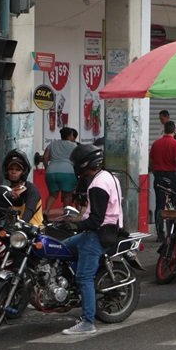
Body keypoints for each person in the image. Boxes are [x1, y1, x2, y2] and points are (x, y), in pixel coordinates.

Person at [61, 143, 122, 335]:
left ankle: (88, 321)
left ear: (83, 164)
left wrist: (75, 224)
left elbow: (96, 219)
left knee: (84, 277)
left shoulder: (97, 185)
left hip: (98, 234)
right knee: (60, 249)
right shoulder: (109, 176)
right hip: (107, 229)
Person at [149, 120, 176, 243]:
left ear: (164, 130)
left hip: (158, 177)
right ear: (175, 130)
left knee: (159, 205)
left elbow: (151, 161)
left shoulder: (156, 143)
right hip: (172, 176)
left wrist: (156, 172)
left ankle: (159, 233)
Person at [0, 149, 43, 225]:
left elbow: (29, 211)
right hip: (12, 232)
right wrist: (6, 198)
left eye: (18, 170)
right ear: (7, 171)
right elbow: (0, 216)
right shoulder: (7, 191)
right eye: (11, 169)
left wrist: (21, 223)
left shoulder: (32, 190)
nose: (13, 172)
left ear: (23, 172)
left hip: (33, 231)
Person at [43, 127, 79, 209]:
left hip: (51, 172)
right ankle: (66, 216)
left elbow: (45, 158)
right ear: (70, 136)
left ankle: (46, 213)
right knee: (67, 196)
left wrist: (47, 168)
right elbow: (78, 159)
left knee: (52, 195)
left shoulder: (52, 144)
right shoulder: (73, 145)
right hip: (67, 172)